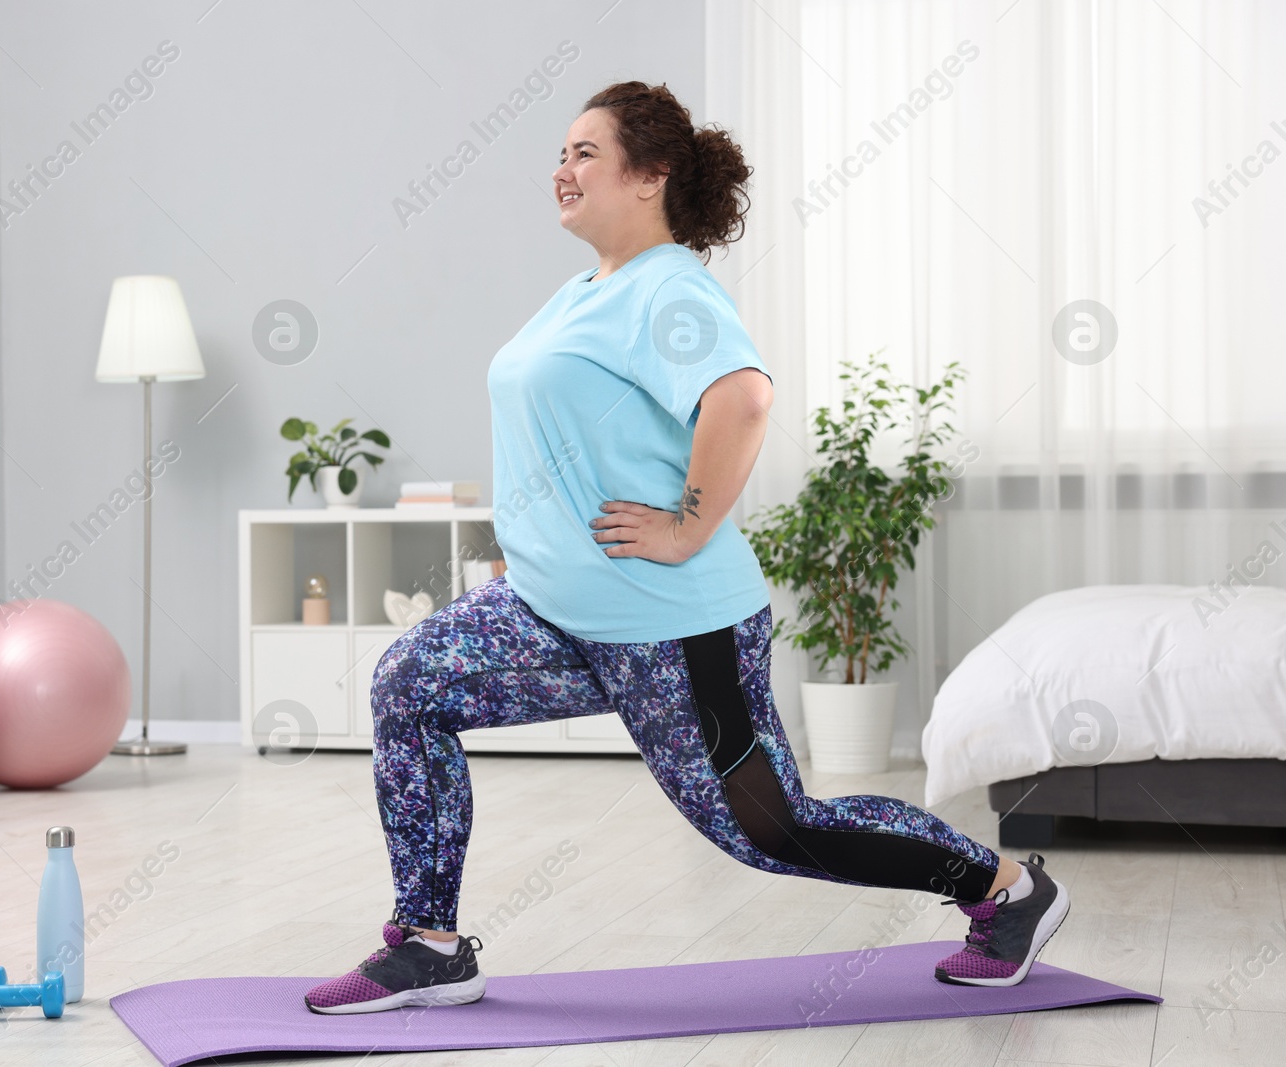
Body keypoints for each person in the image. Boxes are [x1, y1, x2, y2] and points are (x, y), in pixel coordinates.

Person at [304, 80, 1069, 1016]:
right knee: (408, 687)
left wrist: (690, 525)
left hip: (671, 624)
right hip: (552, 607)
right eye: (560, 152)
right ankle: (429, 944)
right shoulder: (587, 288)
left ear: (651, 175)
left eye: (586, 153)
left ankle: (1006, 889)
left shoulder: (670, 288)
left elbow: (742, 397)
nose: (562, 170)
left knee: (771, 830)